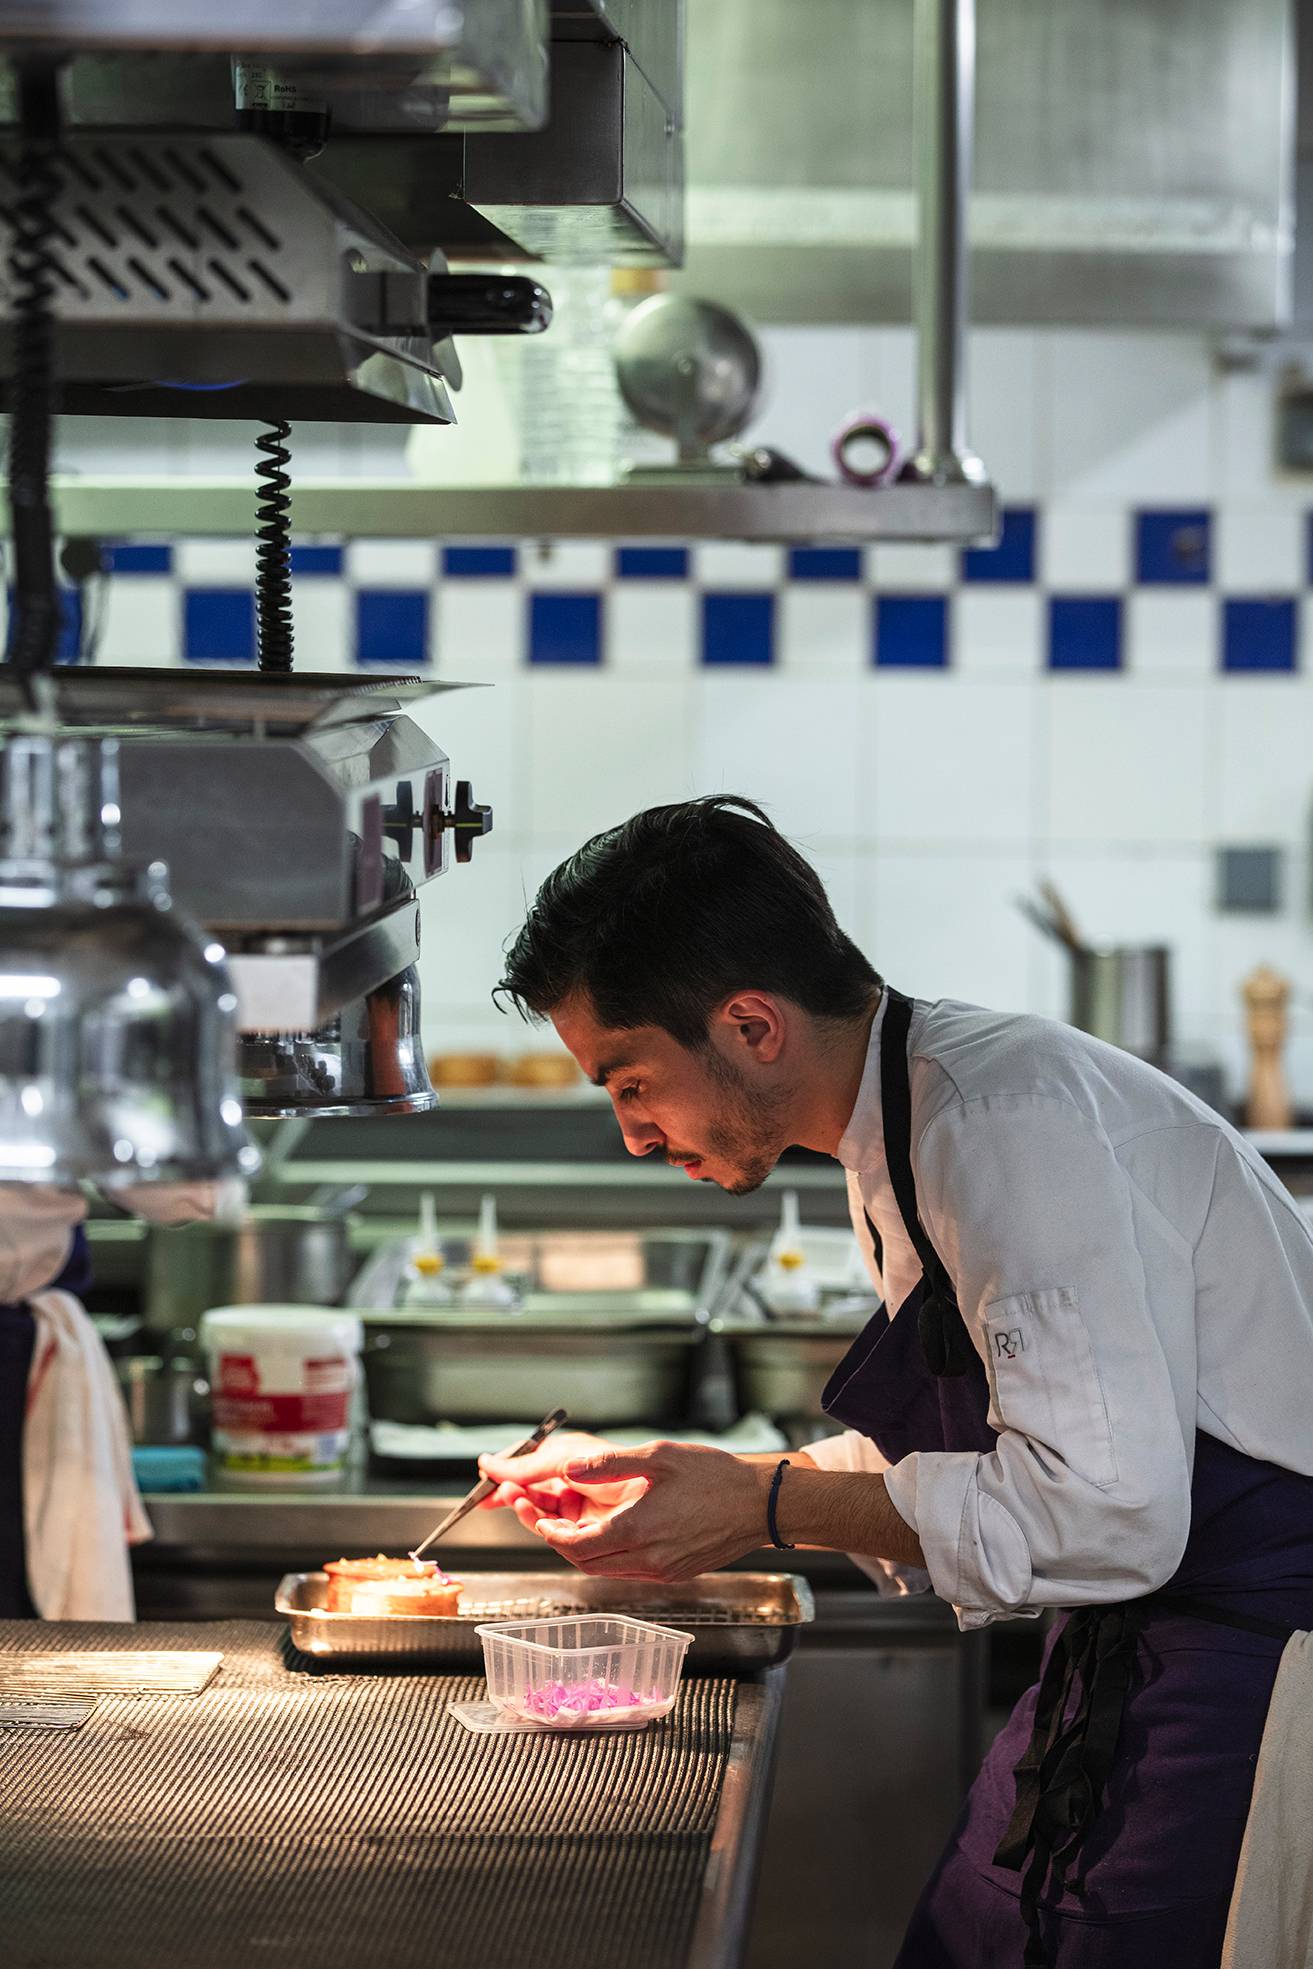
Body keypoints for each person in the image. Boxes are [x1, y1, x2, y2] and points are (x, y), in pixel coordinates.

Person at [478, 794, 1313, 1969]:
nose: (634, 1135)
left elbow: (1106, 1513)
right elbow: (1001, 1444)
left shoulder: (999, 1125)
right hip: (1144, 1634)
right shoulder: (906, 1116)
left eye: (630, 1084)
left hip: (1251, 1656)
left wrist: (763, 1504)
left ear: (750, 1025)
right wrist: (718, 1482)